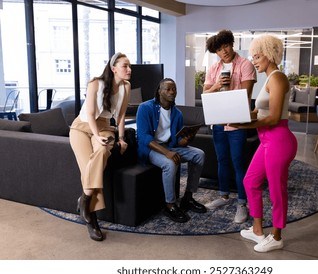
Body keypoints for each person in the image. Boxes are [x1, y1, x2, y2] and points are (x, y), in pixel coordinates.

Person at [229, 34, 298, 252]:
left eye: (257, 56)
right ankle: (257, 230)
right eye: (252, 56)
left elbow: (275, 117)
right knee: (250, 181)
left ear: (269, 54)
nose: (254, 61)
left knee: (277, 190)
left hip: (279, 140)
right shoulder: (268, 79)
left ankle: (277, 236)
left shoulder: (278, 78)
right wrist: (233, 115)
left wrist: (243, 125)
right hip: (266, 140)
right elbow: (259, 111)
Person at [69, 52, 131, 241]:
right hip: (81, 127)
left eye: (129, 67)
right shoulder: (95, 83)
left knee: (102, 151)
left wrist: (121, 138)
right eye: (125, 66)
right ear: (114, 69)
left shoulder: (126, 87)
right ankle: (92, 219)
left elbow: (120, 117)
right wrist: (95, 136)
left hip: (104, 127)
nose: (129, 70)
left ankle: (84, 201)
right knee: (88, 166)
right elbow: (89, 114)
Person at [203, 29, 257, 223]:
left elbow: (244, 96)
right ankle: (223, 196)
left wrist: (231, 84)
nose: (223, 51)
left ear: (232, 44)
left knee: (238, 162)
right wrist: (216, 86)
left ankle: (242, 203)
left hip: (237, 124)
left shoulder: (246, 65)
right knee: (222, 160)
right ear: (215, 52)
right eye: (219, 49)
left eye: (225, 46)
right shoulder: (213, 69)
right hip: (218, 122)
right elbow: (206, 95)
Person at [136, 78, 207, 223]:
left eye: (174, 89)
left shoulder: (177, 113)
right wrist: (166, 152)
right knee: (170, 163)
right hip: (150, 149)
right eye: (167, 89)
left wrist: (186, 140)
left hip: (170, 146)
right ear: (159, 91)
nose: (172, 92)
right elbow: (143, 137)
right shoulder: (145, 108)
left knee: (199, 154)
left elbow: (176, 141)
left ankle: (188, 198)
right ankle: (170, 204)